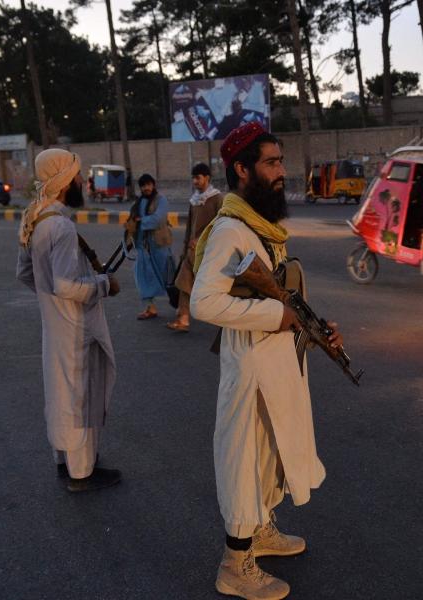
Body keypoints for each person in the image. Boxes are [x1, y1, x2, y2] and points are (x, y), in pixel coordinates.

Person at [191, 122, 342, 600]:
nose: (282, 171)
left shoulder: (261, 226)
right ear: (241, 169)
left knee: (270, 454)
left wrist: (314, 330)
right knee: (244, 458)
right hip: (252, 368)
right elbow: (203, 303)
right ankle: (235, 564)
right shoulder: (231, 229)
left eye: (281, 161)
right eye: (271, 163)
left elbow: (283, 293)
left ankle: (261, 531)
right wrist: (273, 314)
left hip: (278, 364)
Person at [16, 148, 122, 493]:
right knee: (80, 394)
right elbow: (65, 285)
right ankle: (82, 473)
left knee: (61, 393)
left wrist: (50, 304)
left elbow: (25, 274)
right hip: (75, 326)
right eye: (78, 175)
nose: (81, 180)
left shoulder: (35, 217)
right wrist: (104, 285)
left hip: (55, 326)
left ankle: (66, 462)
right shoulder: (59, 226)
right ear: (64, 181)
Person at [167, 163, 223, 332]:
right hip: (192, 251)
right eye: (193, 178)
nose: (195, 181)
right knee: (184, 280)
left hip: (210, 251)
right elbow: (190, 227)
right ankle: (183, 317)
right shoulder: (194, 200)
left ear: (207, 178)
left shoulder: (217, 199)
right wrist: (186, 249)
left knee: (213, 285)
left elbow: (222, 224)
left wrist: (202, 240)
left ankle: (224, 317)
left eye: (198, 177)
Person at [127, 173, 173, 320]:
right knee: (142, 276)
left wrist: (141, 221)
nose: (146, 188)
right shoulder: (138, 202)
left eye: (148, 184)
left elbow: (158, 219)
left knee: (167, 278)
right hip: (142, 246)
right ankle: (150, 307)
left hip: (159, 244)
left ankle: (182, 307)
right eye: (143, 185)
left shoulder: (161, 200)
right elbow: (132, 220)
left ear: (153, 185)